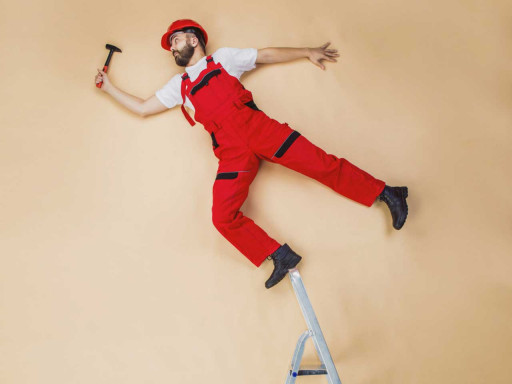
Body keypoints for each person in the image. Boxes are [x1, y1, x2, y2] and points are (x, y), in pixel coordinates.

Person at [95, 19, 409, 289]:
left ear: (193, 39)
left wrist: (306, 52)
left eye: (175, 41)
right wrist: (108, 87)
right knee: (221, 216)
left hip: (261, 130)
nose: (173, 49)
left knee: (322, 164)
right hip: (232, 154)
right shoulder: (179, 86)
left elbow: (266, 54)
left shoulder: (224, 59)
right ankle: (280, 256)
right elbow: (142, 108)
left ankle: (388, 193)